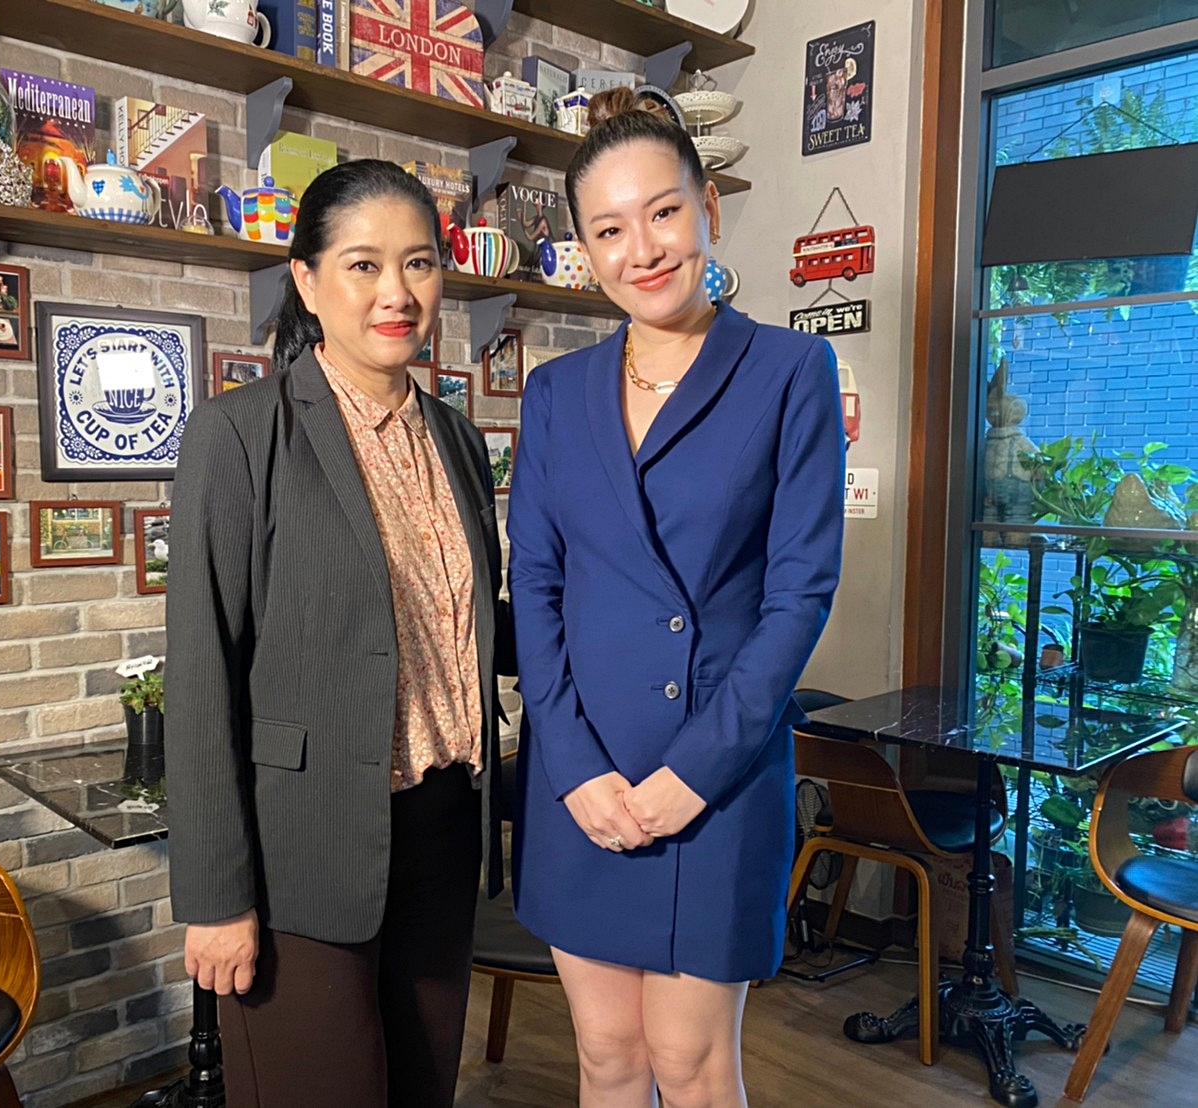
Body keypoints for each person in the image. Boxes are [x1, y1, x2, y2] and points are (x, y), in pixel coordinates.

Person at [508, 87, 845, 1108]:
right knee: (607, 1056)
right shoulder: (555, 391)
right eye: (609, 229)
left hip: (717, 775)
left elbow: (798, 593)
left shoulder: (789, 368)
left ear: (708, 208)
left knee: (692, 1066)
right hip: (583, 777)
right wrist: (572, 768)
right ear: (584, 248)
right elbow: (535, 583)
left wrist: (690, 777)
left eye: (662, 212)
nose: (642, 249)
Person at [164, 159, 511, 1108]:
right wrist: (216, 898)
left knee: (423, 1092)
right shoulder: (239, 435)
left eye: (419, 263)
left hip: (443, 830)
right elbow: (200, 675)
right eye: (363, 265)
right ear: (308, 282)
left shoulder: (457, 438)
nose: (397, 293)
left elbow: (463, 623)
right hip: (302, 844)